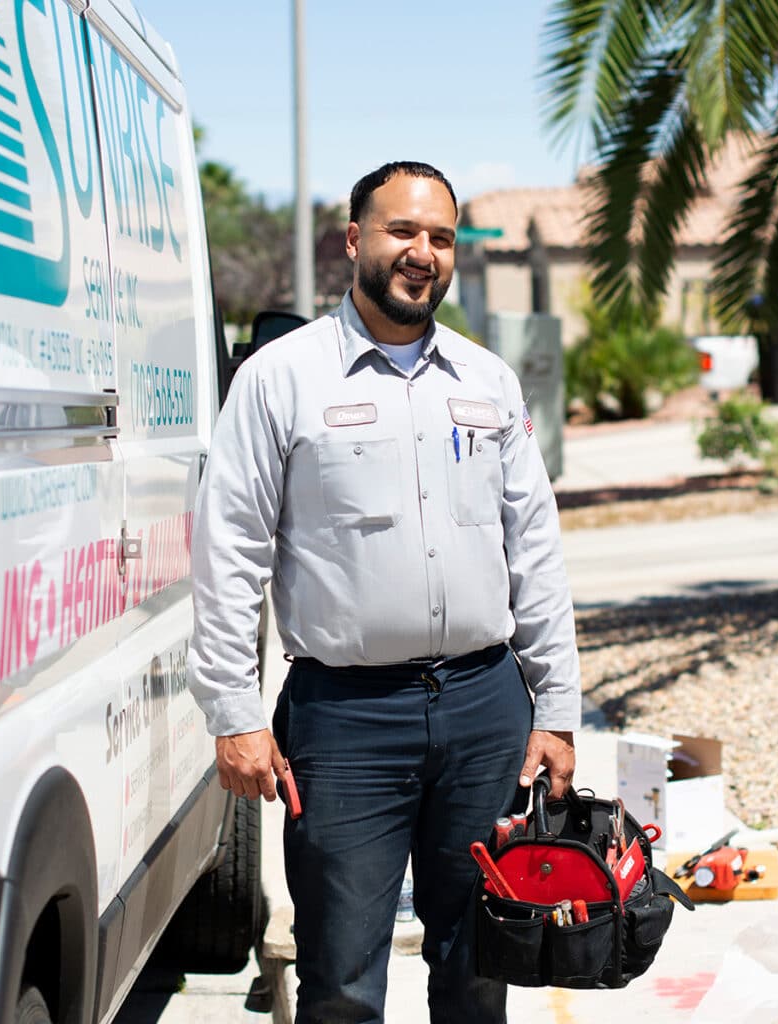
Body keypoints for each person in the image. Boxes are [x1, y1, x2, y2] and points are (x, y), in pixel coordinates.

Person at [188, 161, 581, 1024]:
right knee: (340, 977)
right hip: (345, 721)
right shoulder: (279, 378)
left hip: (485, 708)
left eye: (440, 237)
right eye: (403, 231)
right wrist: (233, 713)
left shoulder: (487, 380)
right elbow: (229, 551)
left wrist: (555, 708)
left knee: (481, 961)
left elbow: (536, 551)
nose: (423, 253)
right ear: (355, 239)